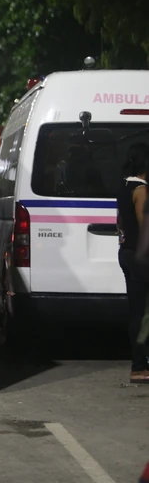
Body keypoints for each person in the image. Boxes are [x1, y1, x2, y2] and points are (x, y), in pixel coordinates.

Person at [116, 143, 149, 383]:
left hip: (127, 253)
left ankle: (139, 366)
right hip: (141, 257)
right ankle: (140, 366)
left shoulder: (124, 186)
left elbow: (120, 223)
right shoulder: (141, 190)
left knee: (137, 311)